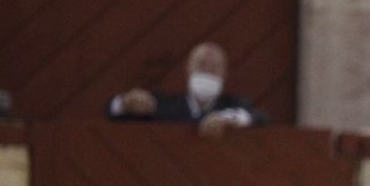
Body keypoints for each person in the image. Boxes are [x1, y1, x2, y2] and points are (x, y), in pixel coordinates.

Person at [107, 42, 268, 138]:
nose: (207, 71)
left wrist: (225, 119)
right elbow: (112, 111)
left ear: (224, 74)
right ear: (188, 69)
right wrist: (126, 102)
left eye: (214, 68)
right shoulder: (163, 105)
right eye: (201, 65)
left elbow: (259, 117)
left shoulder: (234, 105)